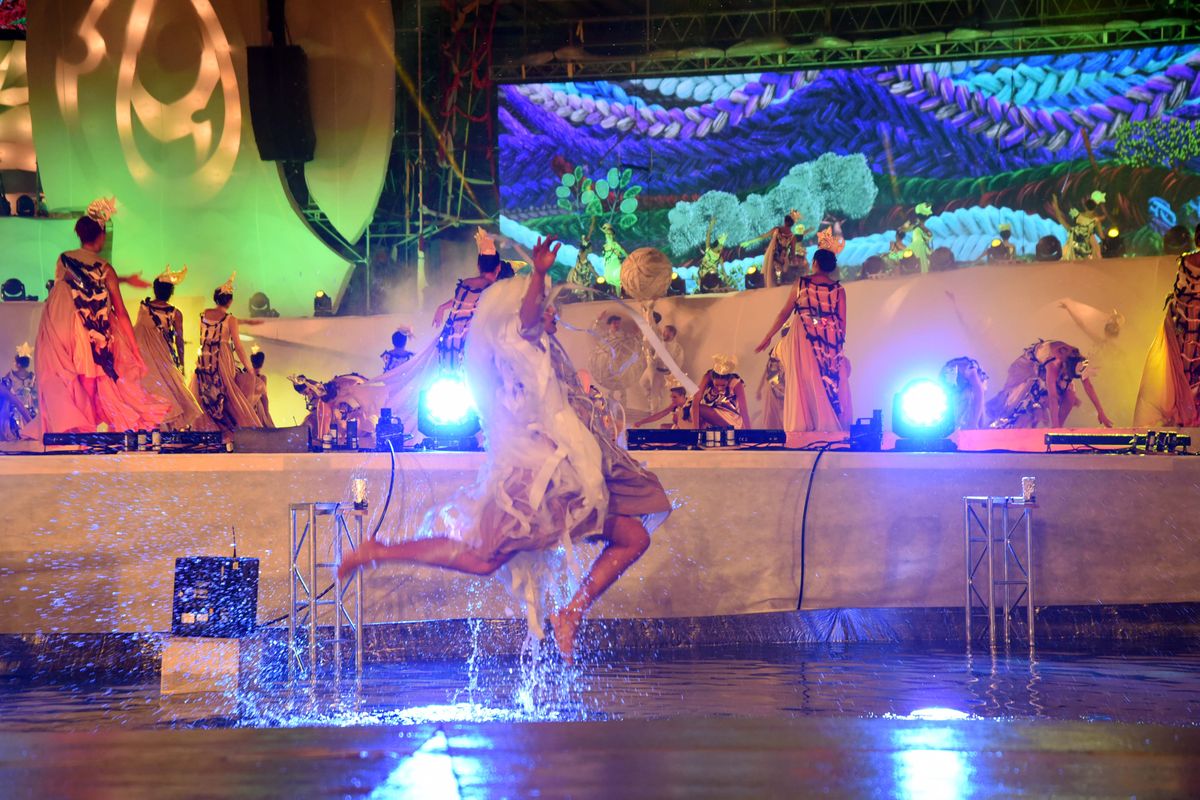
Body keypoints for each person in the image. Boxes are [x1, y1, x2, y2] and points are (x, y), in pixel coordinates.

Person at [339, 237, 672, 664]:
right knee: (482, 559)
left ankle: (570, 613)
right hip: (537, 479)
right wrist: (538, 276)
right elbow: (528, 319)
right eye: (547, 308)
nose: (552, 314)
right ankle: (379, 551)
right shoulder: (523, 341)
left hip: (568, 474)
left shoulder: (547, 349)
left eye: (551, 309)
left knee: (634, 537)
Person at [34, 200, 170, 433]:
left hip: (65, 332)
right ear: (101, 236)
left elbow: (62, 293)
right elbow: (121, 312)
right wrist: (133, 347)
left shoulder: (64, 259)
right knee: (90, 384)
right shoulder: (105, 268)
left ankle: (78, 434)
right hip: (94, 336)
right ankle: (86, 436)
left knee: (72, 383)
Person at [755, 248, 851, 432]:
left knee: (803, 380)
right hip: (828, 339)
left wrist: (768, 336)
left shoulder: (802, 283)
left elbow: (784, 313)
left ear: (815, 263)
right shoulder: (838, 289)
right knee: (825, 380)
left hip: (804, 335)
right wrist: (836, 350)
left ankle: (803, 425)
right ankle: (825, 425)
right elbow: (841, 323)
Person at [1135, 223, 1200, 426]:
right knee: (1187, 369)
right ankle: (1189, 416)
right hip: (1188, 325)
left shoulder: (1186, 260)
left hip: (1184, 324)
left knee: (1183, 369)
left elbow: (1181, 292)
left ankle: (1186, 415)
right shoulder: (1186, 260)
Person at [132, 267, 204, 430]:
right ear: (171, 292)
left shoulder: (144, 308)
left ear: (155, 289)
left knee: (149, 390)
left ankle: (152, 429)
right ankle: (161, 431)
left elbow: (137, 332)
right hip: (163, 357)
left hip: (144, 358)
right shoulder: (175, 313)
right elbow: (179, 341)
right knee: (168, 391)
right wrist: (181, 365)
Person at [987, 340, 1113, 429]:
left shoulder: (1081, 362)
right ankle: (999, 416)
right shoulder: (1053, 363)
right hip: (1028, 365)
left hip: (1049, 367)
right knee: (1012, 393)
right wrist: (1055, 426)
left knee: (1070, 394)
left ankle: (1058, 427)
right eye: (1067, 374)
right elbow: (1053, 397)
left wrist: (1101, 412)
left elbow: (1088, 386)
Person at [191, 275, 262, 432]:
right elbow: (238, 346)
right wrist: (249, 368)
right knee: (227, 392)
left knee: (204, 390)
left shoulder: (204, 314)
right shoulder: (230, 319)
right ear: (230, 301)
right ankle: (227, 430)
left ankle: (209, 429)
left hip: (205, 357)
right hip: (221, 357)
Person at [691, 354, 751, 430]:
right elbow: (696, 400)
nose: (720, 388)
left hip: (731, 420)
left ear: (728, 379)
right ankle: (698, 434)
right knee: (693, 409)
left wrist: (750, 432)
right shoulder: (707, 377)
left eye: (723, 385)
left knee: (699, 410)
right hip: (715, 413)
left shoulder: (737, 384)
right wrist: (695, 430)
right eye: (716, 385)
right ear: (712, 378)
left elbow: (744, 410)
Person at [639, 322, 685, 411]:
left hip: (663, 373)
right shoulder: (660, 341)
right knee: (642, 383)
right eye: (664, 332)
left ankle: (654, 411)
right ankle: (650, 400)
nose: (664, 334)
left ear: (672, 335)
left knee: (655, 392)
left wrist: (671, 375)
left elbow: (679, 362)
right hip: (652, 368)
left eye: (667, 332)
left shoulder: (677, 348)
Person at [939, 357, 988, 430]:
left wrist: (974, 422)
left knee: (972, 402)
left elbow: (979, 394)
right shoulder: (945, 379)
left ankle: (976, 428)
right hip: (959, 381)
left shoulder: (968, 370)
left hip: (970, 378)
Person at [755, 212, 800, 289]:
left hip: (773, 255)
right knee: (778, 277)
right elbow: (793, 253)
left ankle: (771, 288)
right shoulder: (793, 237)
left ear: (785, 221)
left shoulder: (777, 230)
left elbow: (764, 236)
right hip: (782, 258)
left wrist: (751, 241)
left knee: (771, 274)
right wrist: (795, 264)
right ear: (792, 224)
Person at [1, 343, 36, 440]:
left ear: (18, 364)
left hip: (18, 409)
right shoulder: (32, 377)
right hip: (22, 410)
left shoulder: (11, 376)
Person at [236, 349, 274, 428]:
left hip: (246, 405)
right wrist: (266, 413)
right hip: (254, 407)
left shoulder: (244, 375)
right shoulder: (261, 378)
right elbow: (264, 397)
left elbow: (264, 397)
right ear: (262, 364)